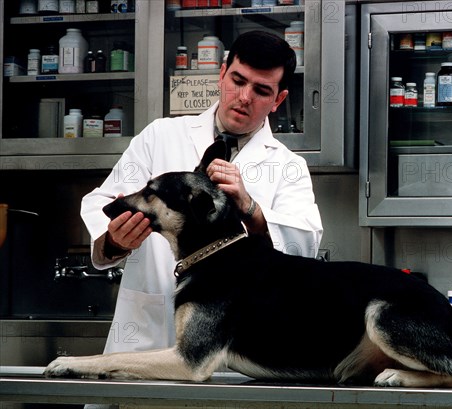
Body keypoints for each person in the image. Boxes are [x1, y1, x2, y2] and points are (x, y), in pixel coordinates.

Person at [81, 30, 323, 354]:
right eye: (238, 80)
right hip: (146, 340)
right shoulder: (160, 136)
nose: (245, 97)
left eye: (262, 90)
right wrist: (114, 242)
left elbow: (303, 248)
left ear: (279, 99)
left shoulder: (288, 166)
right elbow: (102, 203)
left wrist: (251, 210)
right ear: (222, 74)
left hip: (235, 348)